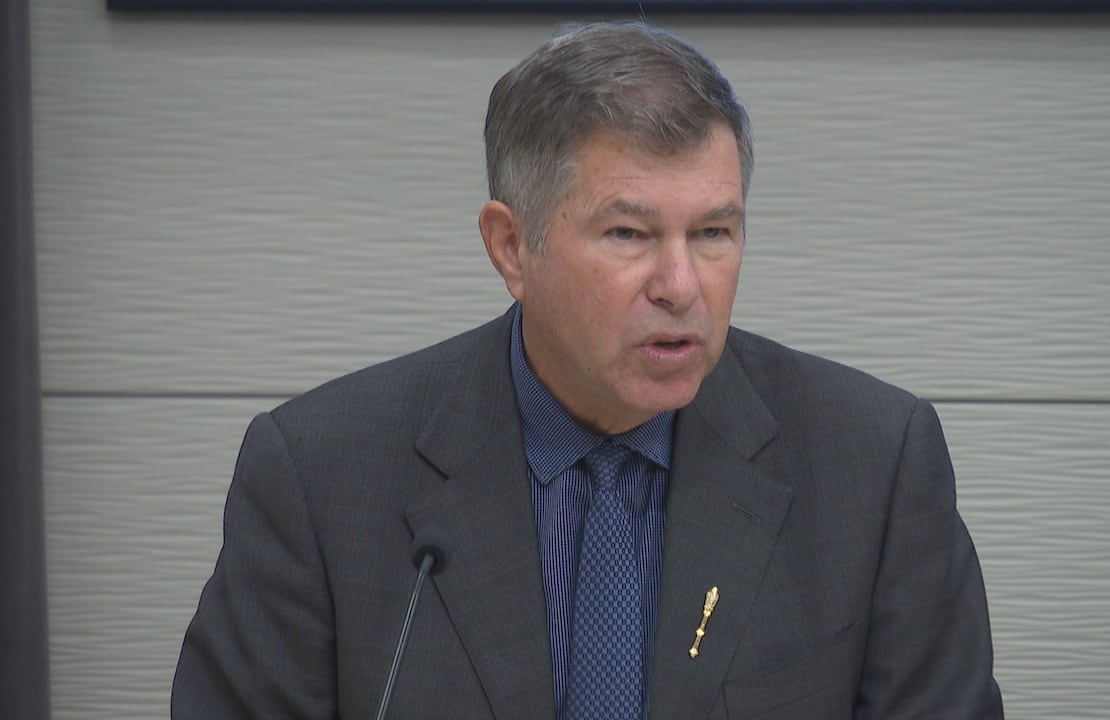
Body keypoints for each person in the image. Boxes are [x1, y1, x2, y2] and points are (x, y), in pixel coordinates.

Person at [172, 21, 1003, 719]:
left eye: (714, 233)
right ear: (511, 247)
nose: (681, 287)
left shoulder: (874, 465)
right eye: (628, 236)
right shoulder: (321, 478)